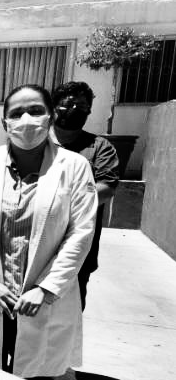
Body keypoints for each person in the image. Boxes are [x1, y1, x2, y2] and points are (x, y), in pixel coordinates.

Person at [0, 84, 97, 380]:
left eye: (36, 110)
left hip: (40, 299)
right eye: (16, 113)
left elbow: (80, 233)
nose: (26, 120)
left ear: (51, 116)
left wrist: (45, 289)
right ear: (4, 123)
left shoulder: (74, 167)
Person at [51, 81, 119, 309]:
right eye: (68, 104)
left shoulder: (100, 147)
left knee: (69, 312)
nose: (74, 109)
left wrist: (57, 202)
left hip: (78, 245)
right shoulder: (36, 143)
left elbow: (106, 188)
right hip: (31, 242)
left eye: (82, 105)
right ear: (53, 107)